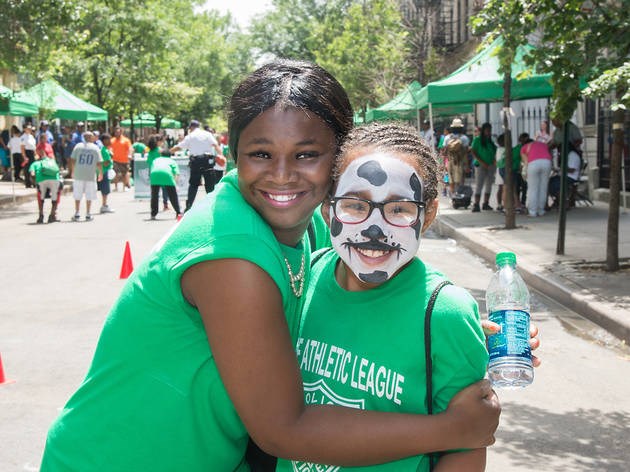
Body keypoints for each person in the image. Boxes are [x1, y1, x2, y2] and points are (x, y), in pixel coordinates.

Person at [41, 59, 501, 472]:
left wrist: (445, 326)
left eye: (306, 154)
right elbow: (283, 431)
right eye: (261, 153)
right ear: (232, 154)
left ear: (339, 164)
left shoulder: (311, 223)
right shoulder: (233, 254)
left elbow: (358, 302)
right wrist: (457, 429)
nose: (282, 175)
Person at [277, 121, 491, 471]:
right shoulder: (304, 276)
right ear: (328, 209)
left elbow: (467, 441)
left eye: (399, 209)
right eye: (355, 206)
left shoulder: (445, 313)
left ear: (428, 215)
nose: (374, 230)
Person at [170, 119, 222, 211]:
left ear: (191, 127)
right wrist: (221, 156)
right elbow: (216, 145)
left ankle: (189, 205)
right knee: (210, 185)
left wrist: (169, 151)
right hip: (207, 161)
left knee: (193, 185)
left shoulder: (190, 136)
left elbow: (179, 147)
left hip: (196, 162)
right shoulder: (207, 134)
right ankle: (213, 206)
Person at [146, 133, 181, 220]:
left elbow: (150, 164)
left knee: (154, 195)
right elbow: (176, 173)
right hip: (166, 176)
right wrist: (175, 184)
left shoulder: (152, 153)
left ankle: (153, 214)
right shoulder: (166, 156)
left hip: (154, 174)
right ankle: (178, 212)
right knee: (172, 194)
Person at [70, 131, 102, 221]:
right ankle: (88, 213)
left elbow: (72, 159)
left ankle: (77, 213)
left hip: (79, 174)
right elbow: (99, 163)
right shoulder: (95, 148)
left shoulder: (78, 146)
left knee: (77, 194)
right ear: (91, 138)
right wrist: (100, 173)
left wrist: (72, 171)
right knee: (89, 194)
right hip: (90, 174)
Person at [521, 136, 553, 217]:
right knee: (543, 188)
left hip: (533, 163)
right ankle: (541, 210)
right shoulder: (543, 145)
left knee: (533, 189)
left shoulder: (524, 148)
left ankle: (533, 212)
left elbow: (526, 162)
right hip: (547, 162)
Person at [29, 149, 63, 223]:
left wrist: (35, 182)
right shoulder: (52, 162)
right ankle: (52, 215)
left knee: (40, 196)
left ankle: (41, 216)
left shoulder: (35, 163)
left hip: (41, 181)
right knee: (56, 195)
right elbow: (58, 172)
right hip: (55, 181)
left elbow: (32, 174)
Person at [470, 122, 497, 212]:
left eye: (490, 130)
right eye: (487, 130)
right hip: (480, 166)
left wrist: (493, 161)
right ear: (483, 130)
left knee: (489, 185)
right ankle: (476, 204)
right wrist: (482, 162)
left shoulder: (490, 141)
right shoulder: (477, 140)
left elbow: (494, 152)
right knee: (479, 185)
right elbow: (473, 151)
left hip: (490, 165)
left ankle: (486, 203)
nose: (489, 132)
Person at [441, 118, 469, 197]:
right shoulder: (464, 138)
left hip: (450, 161)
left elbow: (444, 152)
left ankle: (453, 196)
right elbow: (466, 153)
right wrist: (467, 165)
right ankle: (459, 194)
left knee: (451, 179)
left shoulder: (447, 138)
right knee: (460, 179)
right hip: (460, 161)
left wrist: (443, 163)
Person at [110, 126, 132, 191]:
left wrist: (130, 155)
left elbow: (130, 148)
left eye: (118, 132)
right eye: (116, 132)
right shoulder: (112, 140)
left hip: (124, 160)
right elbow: (110, 148)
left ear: (121, 132)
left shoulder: (126, 140)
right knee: (115, 174)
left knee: (124, 174)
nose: (117, 133)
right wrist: (110, 152)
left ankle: (124, 187)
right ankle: (116, 187)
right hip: (115, 160)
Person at [97, 133, 115, 214]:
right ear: (105, 140)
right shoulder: (103, 150)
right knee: (105, 190)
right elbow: (105, 162)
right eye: (109, 139)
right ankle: (104, 206)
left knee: (106, 190)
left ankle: (104, 205)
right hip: (104, 172)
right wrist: (109, 161)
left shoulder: (105, 149)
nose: (110, 141)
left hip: (104, 172)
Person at [20, 124, 37, 188]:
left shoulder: (31, 136)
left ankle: (34, 182)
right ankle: (28, 183)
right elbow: (22, 147)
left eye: (30, 128)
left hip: (32, 152)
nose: (30, 130)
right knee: (27, 169)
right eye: (28, 128)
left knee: (33, 168)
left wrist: (35, 153)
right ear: (24, 129)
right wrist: (24, 156)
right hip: (27, 152)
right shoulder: (23, 137)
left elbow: (34, 146)